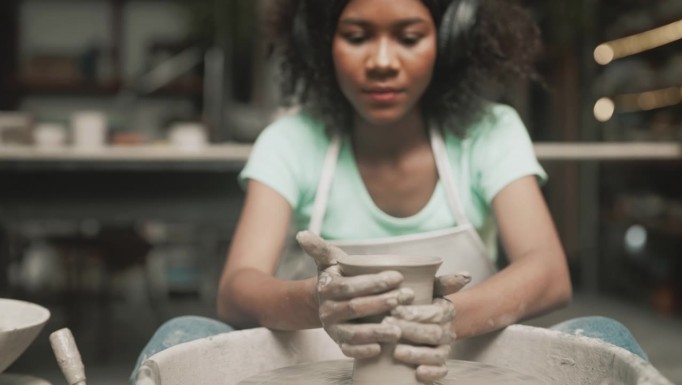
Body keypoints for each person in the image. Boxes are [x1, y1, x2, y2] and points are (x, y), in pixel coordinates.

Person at [131, 0, 647, 383]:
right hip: (327, 362)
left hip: (456, 360)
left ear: (447, 40)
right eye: (357, 36)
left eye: (408, 36)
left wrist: (445, 319)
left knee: (603, 334)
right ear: (321, 43)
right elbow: (236, 288)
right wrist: (319, 302)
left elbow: (549, 273)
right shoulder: (294, 138)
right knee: (184, 333)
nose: (382, 60)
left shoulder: (489, 131)